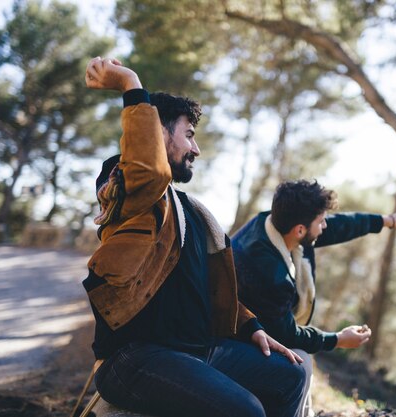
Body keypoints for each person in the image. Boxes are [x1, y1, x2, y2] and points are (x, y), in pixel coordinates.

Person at [81, 57, 306, 417]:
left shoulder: (192, 213)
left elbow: (211, 290)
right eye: (188, 135)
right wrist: (130, 82)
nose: (196, 149)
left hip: (196, 350)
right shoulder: (128, 185)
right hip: (135, 357)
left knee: (291, 375)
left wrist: (251, 328)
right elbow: (146, 168)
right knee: (245, 410)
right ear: (158, 133)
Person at [231, 179, 396, 415]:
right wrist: (337, 339)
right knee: (301, 361)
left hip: (257, 326)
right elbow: (288, 335)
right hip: (237, 339)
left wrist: (390, 221)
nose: (325, 226)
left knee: (303, 362)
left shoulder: (273, 221)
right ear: (300, 230)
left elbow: (338, 226)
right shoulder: (272, 273)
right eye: (321, 221)